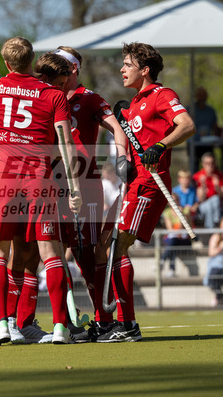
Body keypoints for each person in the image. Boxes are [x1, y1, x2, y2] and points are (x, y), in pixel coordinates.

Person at [0, 36, 82, 346]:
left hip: (3, 179)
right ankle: (60, 328)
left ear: (6, 63)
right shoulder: (53, 95)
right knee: (50, 254)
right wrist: (74, 188)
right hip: (39, 179)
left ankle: (1, 324)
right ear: (32, 60)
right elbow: (65, 143)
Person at [96, 42, 195, 343]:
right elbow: (129, 145)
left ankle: (127, 325)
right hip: (133, 182)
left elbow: (187, 125)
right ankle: (111, 321)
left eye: (128, 64)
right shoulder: (134, 103)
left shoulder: (162, 95)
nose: (122, 69)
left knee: (117, 246)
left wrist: (161, 145)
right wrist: (123, 160)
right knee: (105, 242)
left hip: (150, 184)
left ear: (145, 70)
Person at [51, 46, 130, 342]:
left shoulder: (89, 98)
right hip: (54, 184)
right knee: (52, 253)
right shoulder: (47, 96)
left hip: (85, 185)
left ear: (73, 68)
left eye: (60, 64)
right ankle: (65, 321)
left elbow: (117, 128)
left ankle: (104, 319)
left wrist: (121, 157)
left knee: (89, 254)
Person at [160, 193, 192, 277]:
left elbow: (185, 227)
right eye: (171, 201)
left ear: (178, 201)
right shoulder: (167, 212)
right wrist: (177, 232)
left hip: (184, 240)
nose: (173, 202)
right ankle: (171, 270)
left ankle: (163, 260)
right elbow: (170, 228)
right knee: (173, 243)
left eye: (175, 200)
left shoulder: (185, 211)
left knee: (173, 243)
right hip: (174, 239)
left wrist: (181, 215)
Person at [193, 152, 223, 228]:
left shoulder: (220, 176)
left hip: (218, 207)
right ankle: (216, 223)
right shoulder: (197, 176)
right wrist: (203, 186)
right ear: (203, 164)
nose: (210, 165)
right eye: (207, 163)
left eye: (212, 163)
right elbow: (201, 199)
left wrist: (217, 187)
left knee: (215, 199)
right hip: (202, 207)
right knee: (211, 203)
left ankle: (210, 230)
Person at [190, 86, 219, 167]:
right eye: (200, 96)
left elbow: (215, 127)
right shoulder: (190, 109)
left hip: (207, 144)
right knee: (194, 165)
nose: (202, 98)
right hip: (194, 143)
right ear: (196, 97)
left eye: (204, 96)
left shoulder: (210, 111)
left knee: (209, 164)